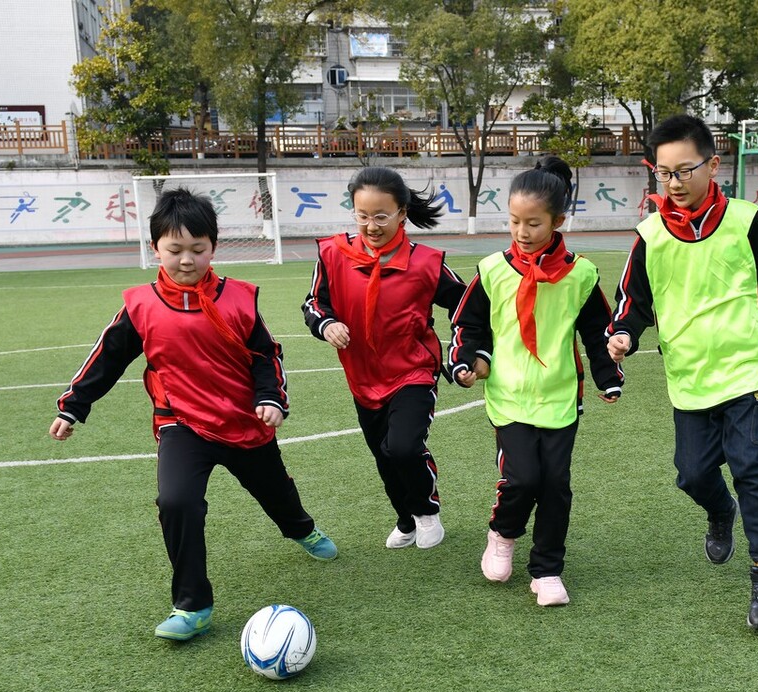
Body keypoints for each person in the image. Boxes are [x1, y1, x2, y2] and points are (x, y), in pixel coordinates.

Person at [49, 188, 336, 643]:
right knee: (176, 502)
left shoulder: (239, 298)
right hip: (182, 423)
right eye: (174, 250)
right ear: (155, 249)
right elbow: (107, 358)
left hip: (245, 423)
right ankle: (192, 605)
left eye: (198, 250)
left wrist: (271, 398)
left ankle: (302, 529)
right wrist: (74, 406)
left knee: (277, 495)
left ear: (213, 247)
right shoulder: (140, 306)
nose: (187, 260)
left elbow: (265, 354)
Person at [606, 114, 758, 631]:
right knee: (692, 474)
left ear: (712, 165)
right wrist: (623, 333)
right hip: (688, 375)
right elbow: (632, 302)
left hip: (748, 367)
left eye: (684, 170)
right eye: (662, 172)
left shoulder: (745, 222)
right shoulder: (649, 236)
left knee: (752, 464)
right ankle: (719, 511)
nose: (674, 182)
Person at [449, 157, 624, 607]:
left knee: (555, 486)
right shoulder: (492, 270)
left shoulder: (581, 274)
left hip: (560, 397)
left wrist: (608, 376)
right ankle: (503, 534)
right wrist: (471, 360)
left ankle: (547, 570)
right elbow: (469, 325)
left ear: (558, 221)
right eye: (514, 221)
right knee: (522, 478)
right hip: (507, 396)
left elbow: (597, 330)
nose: (522, 232)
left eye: (533, 223)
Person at [303, 167, 466, 550]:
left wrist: (469, 347)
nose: (371, 225)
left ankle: (427, 512)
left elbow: (466, 303)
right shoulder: (332, 254)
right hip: (362, 377)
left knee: (404, 447)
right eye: (362, 216)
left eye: (381, 216)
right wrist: (326, 324)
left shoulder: (426, 262)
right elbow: (313, 303)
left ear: (402, 213)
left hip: (413, 371)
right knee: (382, 454)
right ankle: (406, 519)